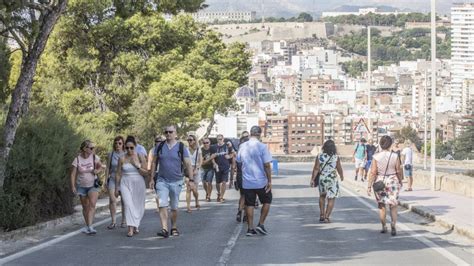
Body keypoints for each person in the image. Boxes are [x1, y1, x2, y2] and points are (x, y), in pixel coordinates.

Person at [150, 125, 192, 238]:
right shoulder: (160, 146)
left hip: (176, 181)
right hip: (162, 180)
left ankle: (174, 226)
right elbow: (154, 163)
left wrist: (191, 179)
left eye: (170, 132)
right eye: (166, 132)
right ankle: (164, 228)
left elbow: (188, 163)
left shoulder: (181, 147)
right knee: (162, 203)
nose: (168, 134)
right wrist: (151, 178)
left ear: (175, 133)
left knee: (174, 207)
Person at [237, 126, 273, 236]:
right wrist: (269, 180)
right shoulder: (262, 147)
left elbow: (239, 160)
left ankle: (250, 228)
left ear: (250, 133)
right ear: (260, 134)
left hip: (247, 181)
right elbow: (267, 165)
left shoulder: (242, 146)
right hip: (260, 181)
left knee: (249, 204)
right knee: (267, 201)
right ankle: (261, 224)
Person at [367, 136, 403, 236]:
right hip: (393, 181)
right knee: (393, 205)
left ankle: (384, 226)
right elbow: (398, 170)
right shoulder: (395, 156)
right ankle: (393, 224)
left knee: (381, 206)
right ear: (390, 144)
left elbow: (373, 172)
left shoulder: (376, 157)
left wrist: (369, 186)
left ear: (381, 144)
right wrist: (400, 181)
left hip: (380, 182)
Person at [115, 137, 148, 237]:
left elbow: (146, 172)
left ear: (135, 147)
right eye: (127, 147)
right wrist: (117, 187)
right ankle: (130, 228)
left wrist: (136, 165)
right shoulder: (122, 158)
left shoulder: (140, 156)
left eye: (131, 148)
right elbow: (118, 173)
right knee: (128, 204)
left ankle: (135, 224)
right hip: (125, 182)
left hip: (138, 183)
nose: (129, 150)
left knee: (138, 206)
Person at [70, 140, 103, 235]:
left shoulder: (94, 157)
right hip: (81, 186)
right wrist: (73, 186)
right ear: (85, 148)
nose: (93, 149)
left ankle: (90, 226)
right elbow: (73, 174)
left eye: (94, 148)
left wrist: (97, 171)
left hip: (93, 185)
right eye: (91, 148)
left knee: (92, 205)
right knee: (85, 207)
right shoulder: (77, 159)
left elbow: (100, 166)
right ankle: (88, 225)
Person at [310, 140, 344, 223]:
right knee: (331, 199)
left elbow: (316, 168)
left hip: (322, 178)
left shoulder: (320, 156)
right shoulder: (336, 157)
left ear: (324, 147)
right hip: (332, 179)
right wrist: (341, 176)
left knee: (322, 196)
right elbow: (339, 168)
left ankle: (321, 214)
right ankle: (326, 217)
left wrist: (312, 179)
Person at [105, 136, 126, 229]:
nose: (117, 145)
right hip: (113, 179)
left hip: (124, 180)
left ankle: (124, 221)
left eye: (120, 143)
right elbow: (107, 168)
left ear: (123, 144)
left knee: (124, 201)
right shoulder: (111, 154)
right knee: (113, 200)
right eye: (116, 143)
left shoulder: (126, 154)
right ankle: (113, 221)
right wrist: (105, 180)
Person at [213, 134, 235, 202]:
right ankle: (219, 193)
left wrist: (229, 156)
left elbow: (233, 153)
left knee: (224, 182)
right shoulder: (214, 147)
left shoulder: (227, 146)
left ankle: (221, 197)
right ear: (217, 140)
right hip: (217, 167)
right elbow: (212, 157)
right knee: (217, 182)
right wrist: (214, 163)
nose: (220, 140)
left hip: (225, 166)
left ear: (223, 139)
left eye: (221, 139)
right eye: (218, 139)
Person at [186, 134, 202, 213]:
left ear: (194, 140)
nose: (189, 141)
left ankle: (196, 200)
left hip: (196, 169)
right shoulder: (185, 149)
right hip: (187, 170)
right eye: (188, 140)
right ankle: (188, 207)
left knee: (194, 189)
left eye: (191, 140)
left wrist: (197, 169)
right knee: (188, 188)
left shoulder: (198, 149)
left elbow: (200, 161)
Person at [235, 135, 249, 222]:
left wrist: (234, 179)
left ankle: (240, 211)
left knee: (242, 195)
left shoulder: (238, 153)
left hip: (240, 176)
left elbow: (234, 166)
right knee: (249, 197)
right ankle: (246, 215)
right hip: (248, 176)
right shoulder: (249, 153)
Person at [148, 135, 164, 211]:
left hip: (164, 173)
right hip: (156, 173)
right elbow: (150, 162)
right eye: (157, 141)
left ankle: (163, 204)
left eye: (160, 141)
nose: (158, 143)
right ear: (155, 142)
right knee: (157, 190)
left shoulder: (165, 149)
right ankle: (158, 206)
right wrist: (150, 174)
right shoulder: (152, 150)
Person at [200, 137, 217, 201]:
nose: (205, 144)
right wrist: (210, 158)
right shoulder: (201, 150)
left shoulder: (212, 149)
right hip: (203, 168)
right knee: (204, 182)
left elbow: (213, 158)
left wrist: (214, 163)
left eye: (207, 142)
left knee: (209, 182)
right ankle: (207, 192)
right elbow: (202, 163)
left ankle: (209, 196)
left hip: (210, 168)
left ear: (209, 143)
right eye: (204, 143)